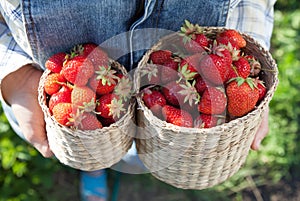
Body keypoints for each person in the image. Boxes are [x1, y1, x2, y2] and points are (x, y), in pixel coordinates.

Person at [0, 0, 276, 200]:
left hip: (174, 121)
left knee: (142, 158)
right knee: (90, 149)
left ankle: (118, 164)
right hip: (60, 101)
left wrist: (247, 62)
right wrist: (16, 76)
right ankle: (95, 169)